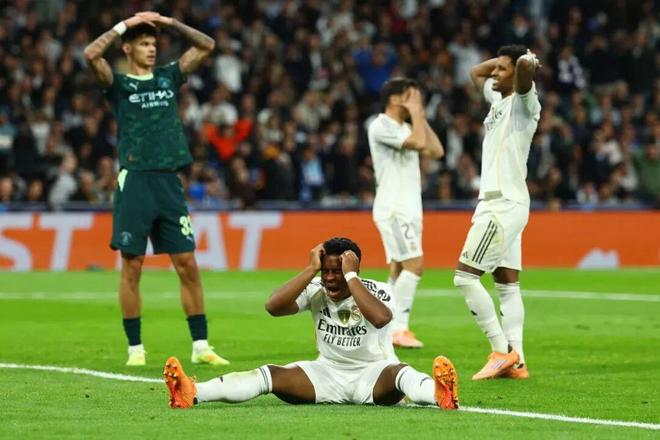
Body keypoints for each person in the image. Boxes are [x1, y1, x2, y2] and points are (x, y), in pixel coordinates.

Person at [84, 12, 228, 367]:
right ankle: (135, 349)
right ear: (128, 49)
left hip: (168, 182)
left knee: (188, 264)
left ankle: (201, 346)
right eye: (144, 44)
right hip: (135, 180)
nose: (151, 49)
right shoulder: (118, 85)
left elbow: (207, 45)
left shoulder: (168, 77)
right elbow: (91, 54)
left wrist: (168, 22)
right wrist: (125, 24)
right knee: (132, 266)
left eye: (154, 44)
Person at [163, 237, 459, 410]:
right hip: (326, 374)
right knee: (269, 374)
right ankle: (193, 393)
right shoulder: (316, 289)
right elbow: (273, 307)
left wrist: (351, 278)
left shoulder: (378, 290)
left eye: (336, 271)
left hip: (374, 373)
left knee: (401, 373)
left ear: (353, 269)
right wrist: (310, 270)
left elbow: (381, 318)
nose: (329, 278)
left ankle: (440, 395)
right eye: (325, 271)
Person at [454, 45, 541, 380]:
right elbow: (476, 71)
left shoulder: (524, 104)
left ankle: (501, 351)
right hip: (502, 203)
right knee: (507, 285)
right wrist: (505, 60)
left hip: (502, 204)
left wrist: (524, 61)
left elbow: (524, 74)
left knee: (465, 277)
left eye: (502, 70)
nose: (494, 73)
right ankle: (517, 363)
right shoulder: (497, 98)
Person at [367, 78, 444, 348]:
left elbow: (436, 150)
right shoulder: (380, 126)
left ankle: (383, 327)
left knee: (399, 268)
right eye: (412, 96)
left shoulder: (407, 127)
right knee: (415, 265)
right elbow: (418, 143)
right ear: (395, 99)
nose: (417, 102)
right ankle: (398, 329)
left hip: (410, 208)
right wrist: (417, 114)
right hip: (394, 208)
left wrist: (418, 116)